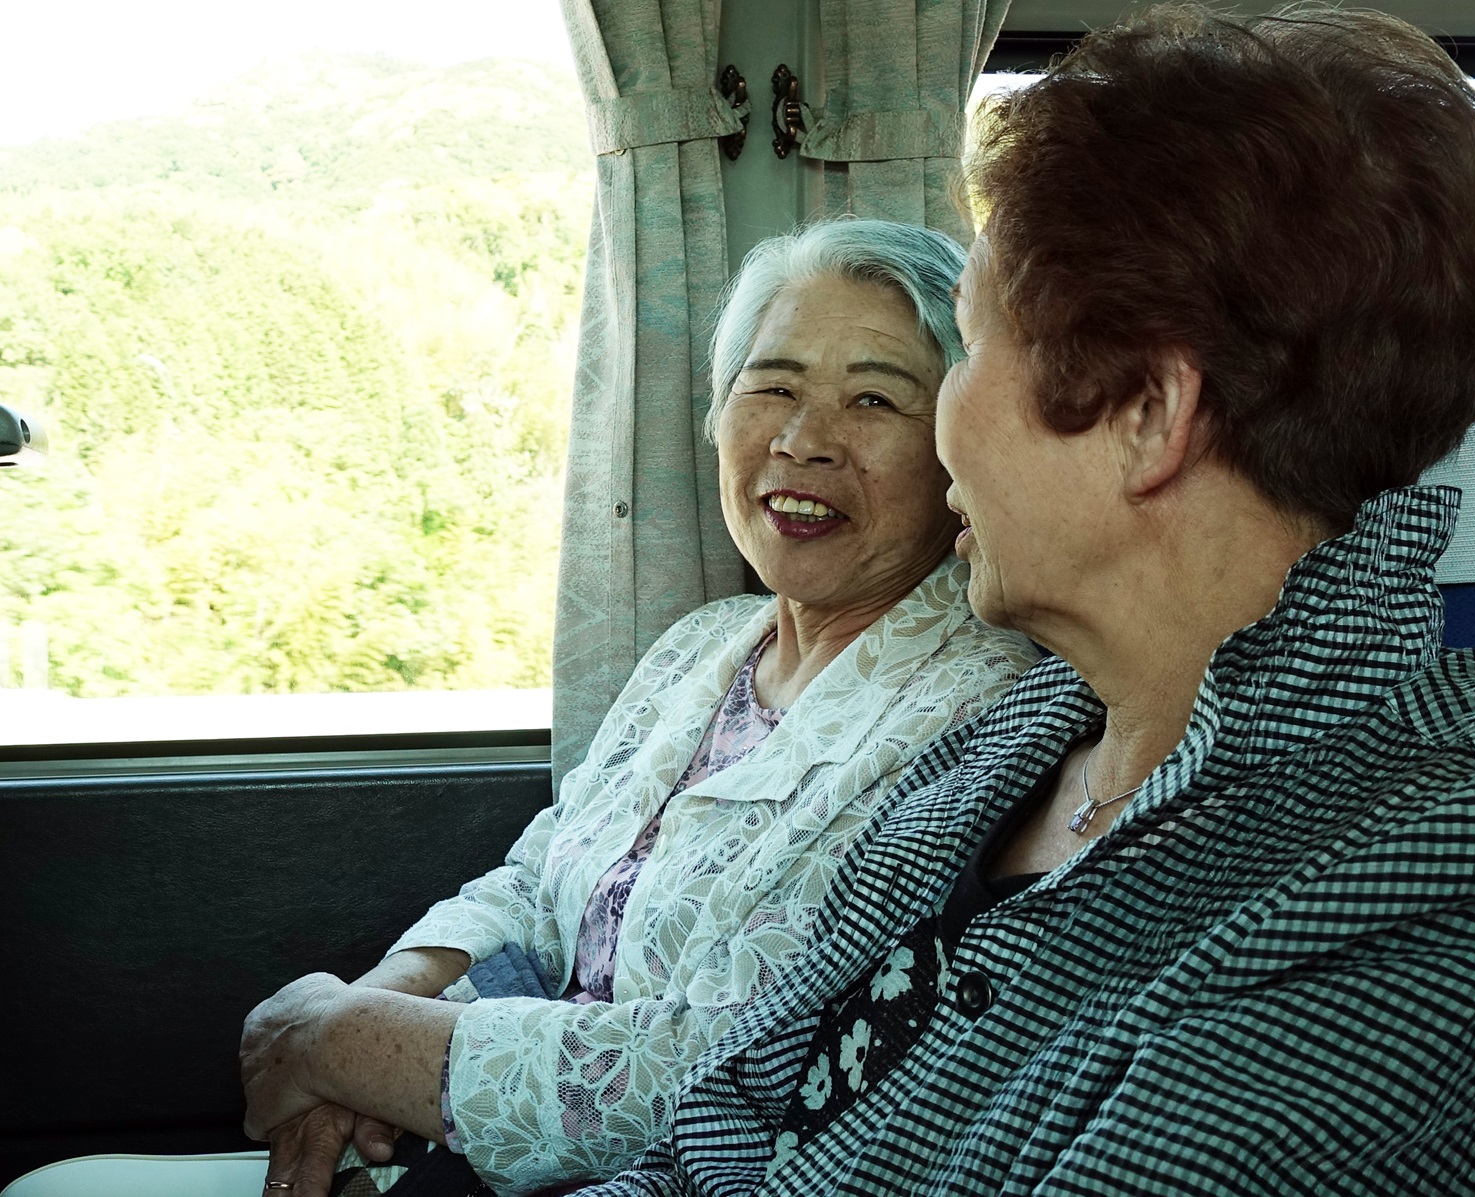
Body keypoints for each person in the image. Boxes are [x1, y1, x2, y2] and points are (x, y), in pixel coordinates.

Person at [573, 7, 1475, 1196]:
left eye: (968, 345)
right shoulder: (1011, 747)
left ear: (1146, 417)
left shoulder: (1470, 879)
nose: (941, 422)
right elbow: (711, 1142)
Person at [5, 220, 1037, 1197]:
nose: (804, 440)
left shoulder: (982, 714)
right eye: (771, 386)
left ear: (956, 444)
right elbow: (543, 885)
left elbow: (744, 1070)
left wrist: (347, 1041)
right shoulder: (702, 647)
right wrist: (376, 1012)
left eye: (873, 400)